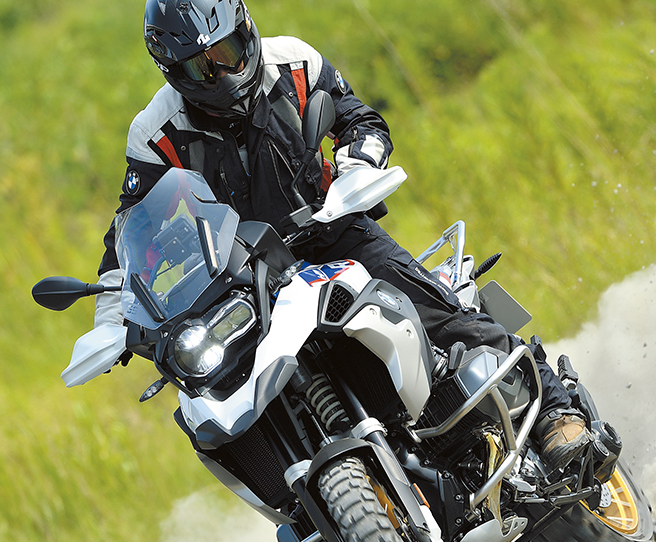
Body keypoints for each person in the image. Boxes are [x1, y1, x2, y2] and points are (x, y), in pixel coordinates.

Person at [93, 0, 589, 472]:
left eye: (227, 51)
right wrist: (112, 316)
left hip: (330, 230)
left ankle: (555, 411)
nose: (222, 71)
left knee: (433, 309)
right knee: (221, 393)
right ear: (174, 71)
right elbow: (132, 232)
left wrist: (356, 167)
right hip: (244, 282)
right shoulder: (155, 132)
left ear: (245, 30)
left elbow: (359, 119)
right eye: (202, 67)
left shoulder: (292, 62)